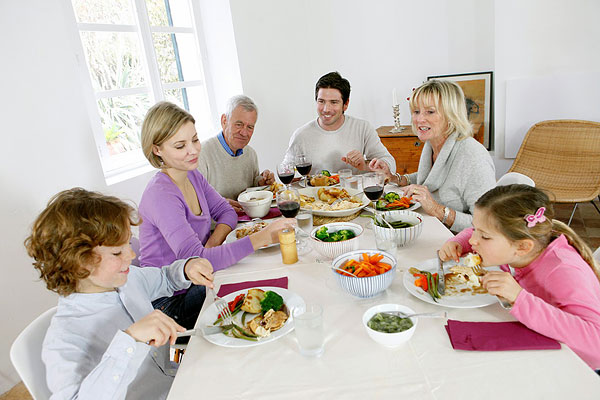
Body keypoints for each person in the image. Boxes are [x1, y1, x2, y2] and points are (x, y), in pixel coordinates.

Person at [24, 188, 215, 399]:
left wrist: (186, 269)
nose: (132, 254)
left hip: (179, 379)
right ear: (79, 262)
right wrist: (130, 341)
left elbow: (165, 278)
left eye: (128, 245)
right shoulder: (64, 339)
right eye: (117, 252)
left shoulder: (127, 279)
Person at [139, 101, 295, 328]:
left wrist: (212, 243)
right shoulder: (160, 195)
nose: (193, 150)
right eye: (180, 146)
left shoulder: (191, 175)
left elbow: (226, 212)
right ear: (157, 149)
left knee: (260, 273)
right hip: (171, 302)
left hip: (202, 279)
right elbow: (196, 261)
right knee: (255, 288)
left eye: (194, 139)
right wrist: (260, 238)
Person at [439, 184, 600, 370]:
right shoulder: (522, 247)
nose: (473, 240)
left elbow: (596, 345)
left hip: (579, 369)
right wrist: (458, 242)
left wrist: (520, 299)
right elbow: (479, 233)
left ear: (523, 247)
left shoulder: (563, 271)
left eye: (484, 237)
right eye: (476, 230)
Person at [370, 79, 496, 232]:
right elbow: (431, 176)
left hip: (456, 242)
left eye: (430, 112)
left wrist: (437, 210)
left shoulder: (473, 156)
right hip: (430, 227)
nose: (419, 119)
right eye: (416, 111)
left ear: (451, 115)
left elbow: (487, 225)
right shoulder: (432, 143)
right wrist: (395, 178)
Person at [284, 71, 395, 175]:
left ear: (345, 104)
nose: (326, 109)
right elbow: (286, 170)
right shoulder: (301, 135)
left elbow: (390, 164)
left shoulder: (362, 128)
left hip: (355, 194)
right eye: (321, 101)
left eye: (334, 102)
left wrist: (365, 165)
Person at [197, 95, 274, 212]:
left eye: (250, 127)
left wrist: (261, 182)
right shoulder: (202, 154)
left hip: (247, 222)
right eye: (239, 124)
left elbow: (250, 192)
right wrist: (218, 204)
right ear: (224, 121)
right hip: (216, 225)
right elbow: (193, 202)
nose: (244, 132)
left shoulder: (250, 154)